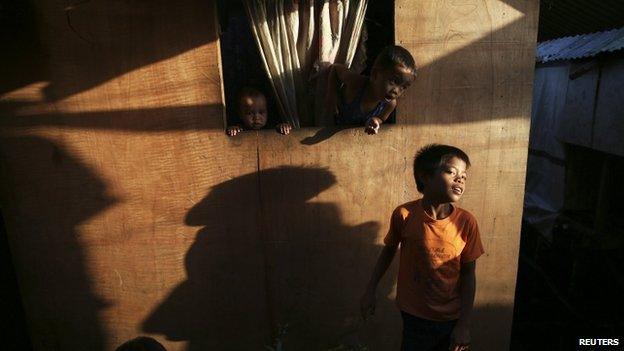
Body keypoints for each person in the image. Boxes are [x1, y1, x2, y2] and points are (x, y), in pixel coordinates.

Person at [361, 144, 485, 351]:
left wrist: (464, 325)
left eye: (464, 175)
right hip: (413, 315)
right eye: (451, 172)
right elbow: (389, 251)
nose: (460, 178)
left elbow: (468, 274)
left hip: (450, 318)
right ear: (425, 177)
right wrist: (370, 290)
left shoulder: (466, 222)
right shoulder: (404, 215)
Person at [325, 45, 416, 134]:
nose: (396, 91)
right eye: (394, 81)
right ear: (375, 74)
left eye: (403, 87)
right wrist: (331, 99)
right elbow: (335, 69)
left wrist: (375, 121)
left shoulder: (389, 104)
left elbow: (381, 118)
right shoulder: (357, 84)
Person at [226, 87, 292, 136]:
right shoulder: (240, 129)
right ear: (240, 114)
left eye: (261, 112)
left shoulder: (270, 127)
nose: (256, 117)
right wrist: (233, 130)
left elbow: (278, 128)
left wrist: (283, 127)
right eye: (250, 113)